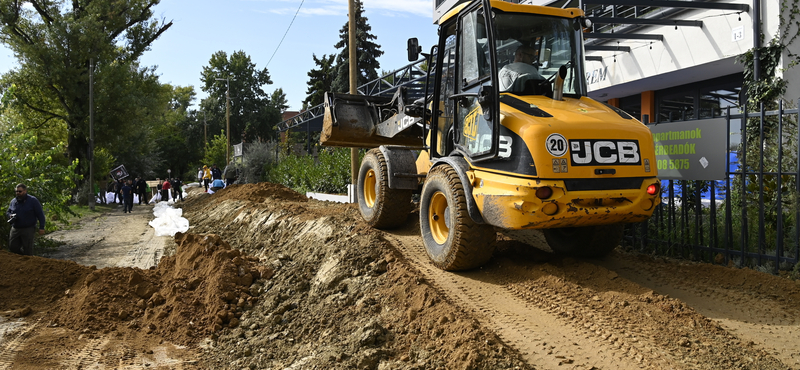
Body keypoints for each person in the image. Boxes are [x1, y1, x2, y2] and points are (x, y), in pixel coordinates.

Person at [5, 184, 45, 255]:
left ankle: (28, 262)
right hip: (15, 228)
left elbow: (40, 214)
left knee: (27, 249)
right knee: (12, 247)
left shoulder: (33, 201)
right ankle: (21, 260)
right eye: (16, 191)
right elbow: (8, 212)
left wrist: (41, 227)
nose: (18, 193)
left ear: (25, 191)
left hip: (28, 228)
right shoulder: (13, 201)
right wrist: (10, 215)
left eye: (20, 191)